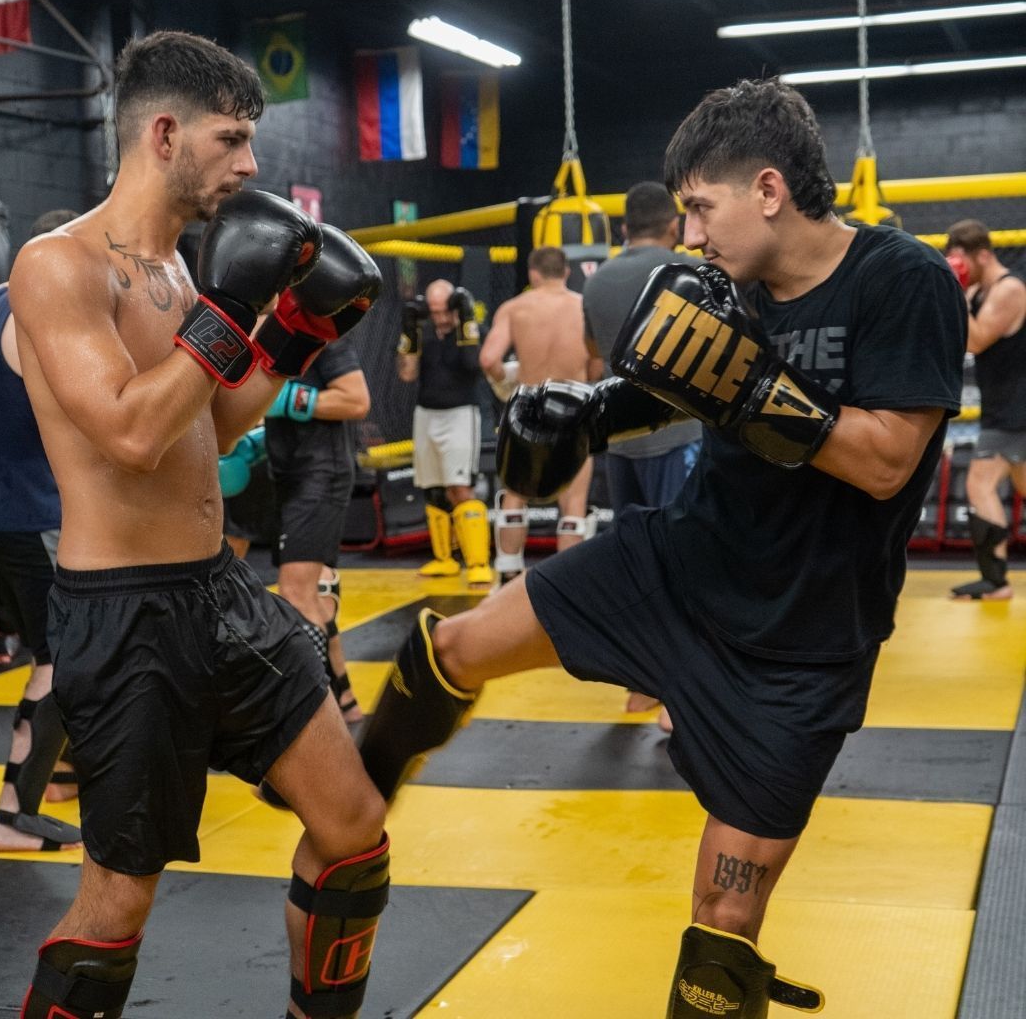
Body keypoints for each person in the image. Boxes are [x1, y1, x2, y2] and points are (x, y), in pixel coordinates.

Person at [359, 77, 966, 1018]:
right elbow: (682, 380)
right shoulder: (727, 288)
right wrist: (587, 416)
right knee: (454, 645)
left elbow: (887, 461)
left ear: (769, 190)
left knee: (723, 922)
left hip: (805, 643)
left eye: (699, 208)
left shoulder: (905, 281)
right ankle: (357, 796)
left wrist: (751, 386)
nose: (689, 235)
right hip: (678, 566)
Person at [9, 30, 388, 1019]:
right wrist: (233, 306)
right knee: (115, 904)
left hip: (220, 594)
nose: (253, 166)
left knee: (354, 831)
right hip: (124, 618)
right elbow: (131, 434)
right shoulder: (56, 267)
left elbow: (208, 423)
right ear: (166, 134)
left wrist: (294, 341)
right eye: (232, 140)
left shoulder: (178, 272)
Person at [0, 208, 82, 854]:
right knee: (62, 659)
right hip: (33, 510)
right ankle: (13, 813)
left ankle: (54, 781)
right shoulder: (39, 311)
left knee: (60, 654)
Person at [581, 182, 704, 721]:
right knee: (686, 561)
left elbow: (593, 355)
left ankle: (640, 683)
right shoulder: (688, 273)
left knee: (635, 558)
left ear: (623, 225)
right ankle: (678, 696)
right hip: (677, 437)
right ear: (673, 224)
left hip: (620, 439)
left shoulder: (596, 281)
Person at [265, 335, 371, 723]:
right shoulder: (260, 332)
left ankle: (313, 711)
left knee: (294, 592)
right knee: (310, 594)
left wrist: (291, 401)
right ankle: (343, 700)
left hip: (320, 475)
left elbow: (357, 400)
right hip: (287, 473)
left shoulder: (321, 333)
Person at [479, 245, 594, 584]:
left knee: (516, 492)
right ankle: (568, 587)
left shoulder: (516, 308)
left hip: (529, 407)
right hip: (575, 406)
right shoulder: (584, 308)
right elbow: (598, 363)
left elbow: (488, 360)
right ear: (567, 272)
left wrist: (506, 382)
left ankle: (508, 577)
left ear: (533, 273)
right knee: (573, 504)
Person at [944, 218, 1026, 600]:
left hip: (1016, 411)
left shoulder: (1009, 289)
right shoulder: (981, 289)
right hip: (1004, 409)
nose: (961, 270)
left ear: (983, 255)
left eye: (963, 262)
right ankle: (995, 580)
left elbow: (974, 340)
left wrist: (956, 291)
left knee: (980, 483)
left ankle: (995, 581)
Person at [397, 278, 492, 586]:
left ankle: (478, 562)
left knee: (460, 487)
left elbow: (471, 365)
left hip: (460, 416)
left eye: (444, 310)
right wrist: (409, 330)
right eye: (433, 311)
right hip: (426, 415)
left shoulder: (470, 332)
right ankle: (444, 559)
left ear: (454, 306)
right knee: (434, 488)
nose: (439, 317)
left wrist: (466, 320)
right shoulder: (425, 335)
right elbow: (407, 374)